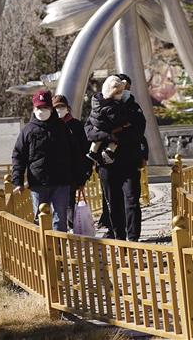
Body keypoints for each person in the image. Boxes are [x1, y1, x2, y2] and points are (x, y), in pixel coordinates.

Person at [86, 75, 145, 241]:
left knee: (132, 200)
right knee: (113, 202)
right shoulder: (98, 107)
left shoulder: (132, 107)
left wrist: (118, 137)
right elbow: (89, 132)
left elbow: (138, 131)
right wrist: (110, 135)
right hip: (106, 165)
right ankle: (119, 237)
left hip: (129, 162)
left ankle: (133, 239)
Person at [11, 89, 77, 232]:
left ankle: (58, 245)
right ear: (34, 109)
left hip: (61, 181)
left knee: (60, 218)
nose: (42, 111)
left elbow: (74, 153)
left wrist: (78, 177)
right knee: (40, 218)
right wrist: (17, 181)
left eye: (45, 107)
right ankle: (43, 244)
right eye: (39, 108)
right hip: (38, 183)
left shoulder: (62, 128)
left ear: (51, 108)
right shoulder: (28, 130)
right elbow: (18, 156)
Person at [52, 94, 93, 230]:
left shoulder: (76, 125)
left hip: (72, 173)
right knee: (56, 207)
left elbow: (84, 149)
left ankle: (72, 230)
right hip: (54, 174)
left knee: (70, 204)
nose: (59, 109)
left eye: (62, 106)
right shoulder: (49, 126)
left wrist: (85, 172)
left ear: (67, 108)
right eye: (56, 107)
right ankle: (59, 233)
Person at [86, 75, 131, 165]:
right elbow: (116, 119)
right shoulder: (111, 106)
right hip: (107, 127)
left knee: (97, 139)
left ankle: (93, 151)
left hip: (97, 126)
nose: (121, 94)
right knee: (116, 138)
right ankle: (109, 152)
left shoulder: (98, 101)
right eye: (119, 92)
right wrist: (124, 123)